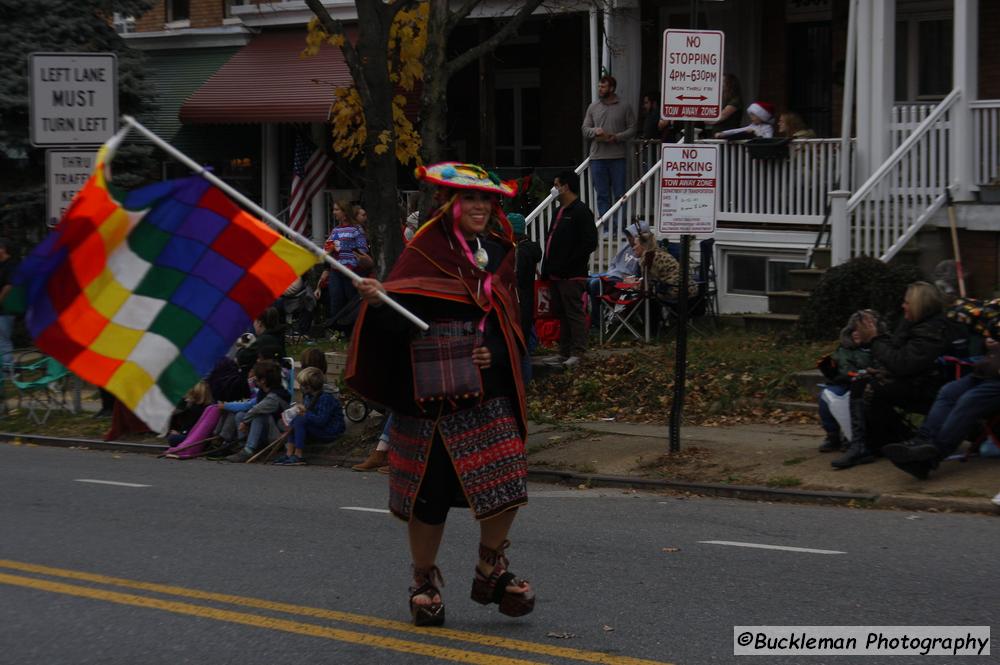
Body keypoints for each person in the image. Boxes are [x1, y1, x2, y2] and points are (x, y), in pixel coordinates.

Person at [348, 161, 534, 627]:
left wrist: (493, 349)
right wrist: (377, 302)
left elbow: (511, 321)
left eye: (486, 199)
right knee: (428, 497)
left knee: (507, 484)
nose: (479, 206)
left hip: (483, 393)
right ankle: (424, 581)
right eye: (469, 198)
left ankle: (490, 569)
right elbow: (398, 321)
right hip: (428, 396)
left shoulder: (500, 250)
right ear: (449, 204)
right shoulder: (423, 251)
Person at [832, 282, 959, 469]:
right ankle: (864, 444)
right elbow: (895, 353)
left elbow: (904, 364)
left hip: (930, 387)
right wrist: (880, 364)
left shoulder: (932, 330)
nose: (903, 306)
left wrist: (875, 339)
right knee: (861, 382)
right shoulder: (912, 324)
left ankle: (885, 440)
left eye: (907, 302)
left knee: (871, 389)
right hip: (913, 381)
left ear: (920, 305)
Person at [881, 336, 1000, 479]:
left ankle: (932, 456)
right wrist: (987, 343)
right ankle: (922, 440)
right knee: (948, 391)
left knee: (968, 400)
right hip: (982, 374)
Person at [541, 170, 598, 367]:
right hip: (555, 274)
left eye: (556, 185)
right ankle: (563, 352)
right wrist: (547, 267)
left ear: (565, 187)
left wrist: (569, 264)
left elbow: (589, 242)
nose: (554, 189)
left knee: (574, 313)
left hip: (572, 275)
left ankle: (578, 352)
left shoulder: (581, 212)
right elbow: (550, 240)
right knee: (562, 313)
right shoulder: (558, 212)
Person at [815, 311, 885, 453]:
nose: (856, 333)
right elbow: (842, 369)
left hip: (866, 384)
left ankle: (852, 436)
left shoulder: (879, 347)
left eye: (860, 329)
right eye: (853, 329)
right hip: (845, 383)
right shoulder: (845, 349)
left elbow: (881, 367)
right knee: (826, 396)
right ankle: (832, 435)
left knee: (859, 399)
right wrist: (830, 369)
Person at [582, 75, 636, 221]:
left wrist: (617, 136)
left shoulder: (624, 106)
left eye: (603, 86)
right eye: (599, 86)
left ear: (611, 88)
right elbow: (585, 129)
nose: (600, 89)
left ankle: (619, 227)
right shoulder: (593, 107)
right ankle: (606, 226)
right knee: (602, 194)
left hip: (618, 157)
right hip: (597, 157)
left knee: (620, 193)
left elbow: (632, 129)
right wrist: (595, 131)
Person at [220, 359, 291, 463]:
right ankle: (242, 446)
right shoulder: (263, 392)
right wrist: (226, 405)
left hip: (277, 435)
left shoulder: (275, 397)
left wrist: (245, 422)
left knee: (259, 416)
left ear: (263, 380)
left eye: (256, 377)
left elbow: (256, 409)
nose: (254, 379)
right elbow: (249, 405)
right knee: (240, 415)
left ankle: (249, 449)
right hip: (267, 431)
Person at [317, 199, 370, 333]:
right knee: (336, 299)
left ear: (345, 212)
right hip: (336, 271)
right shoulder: (335, 230)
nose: (334, 212)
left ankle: (351, 331)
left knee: (351, 301)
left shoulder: (356, 229)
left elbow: (363, 250)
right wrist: (329, 249)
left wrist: (352, 260)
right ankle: (337, 330)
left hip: (352, 271)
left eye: (336, 210)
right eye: (334, 209)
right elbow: (327, 248)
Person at [274, 367, 345, 466]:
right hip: (317, 427)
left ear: (309, 386)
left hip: (330, 430)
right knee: (295, 419)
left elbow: (321, 420)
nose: (300, 387)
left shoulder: (326, 398)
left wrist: (305, 413)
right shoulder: (308, 396)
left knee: (299, 420)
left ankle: (299, 455)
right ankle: (289, 453)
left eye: (302, 385)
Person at [509, 212, 542, 382]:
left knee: (520, 347)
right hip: (527, 300)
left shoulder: (520, 252)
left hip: (520, 301)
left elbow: (518, 278)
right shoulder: (531, 249)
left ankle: (524, 382)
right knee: (525, 341)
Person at [0, 238, 16, 369]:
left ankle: (7, 372)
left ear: (3, 249)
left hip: (5, 310)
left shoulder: (11, 265)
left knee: (4, 342)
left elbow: (9, 285)